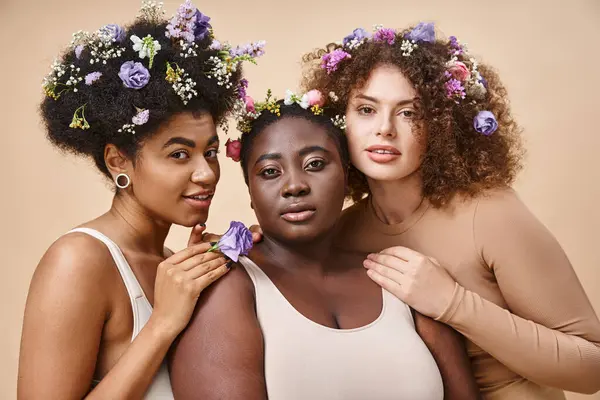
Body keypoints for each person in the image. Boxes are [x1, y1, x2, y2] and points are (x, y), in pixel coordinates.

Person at [298, 22, 600, 399]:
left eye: (409, 113)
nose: (384, 129)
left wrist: (453, 303)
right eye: (366, 109)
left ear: (442, 125)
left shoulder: (490, 212)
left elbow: (593, 369)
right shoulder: (341, 232)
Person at [17, 2, 264, 398]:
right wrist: (163, 324)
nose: (206, 173)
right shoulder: (78, 261)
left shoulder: (170, 262)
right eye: (179, 154)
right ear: (119, 160)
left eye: (211, 151)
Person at [169, 89, 481, 399]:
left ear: (346, 175)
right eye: (269, 172)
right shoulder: (226, 286)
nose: (294, 186)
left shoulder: (403, 277)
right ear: (251, 193)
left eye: (315, 164)